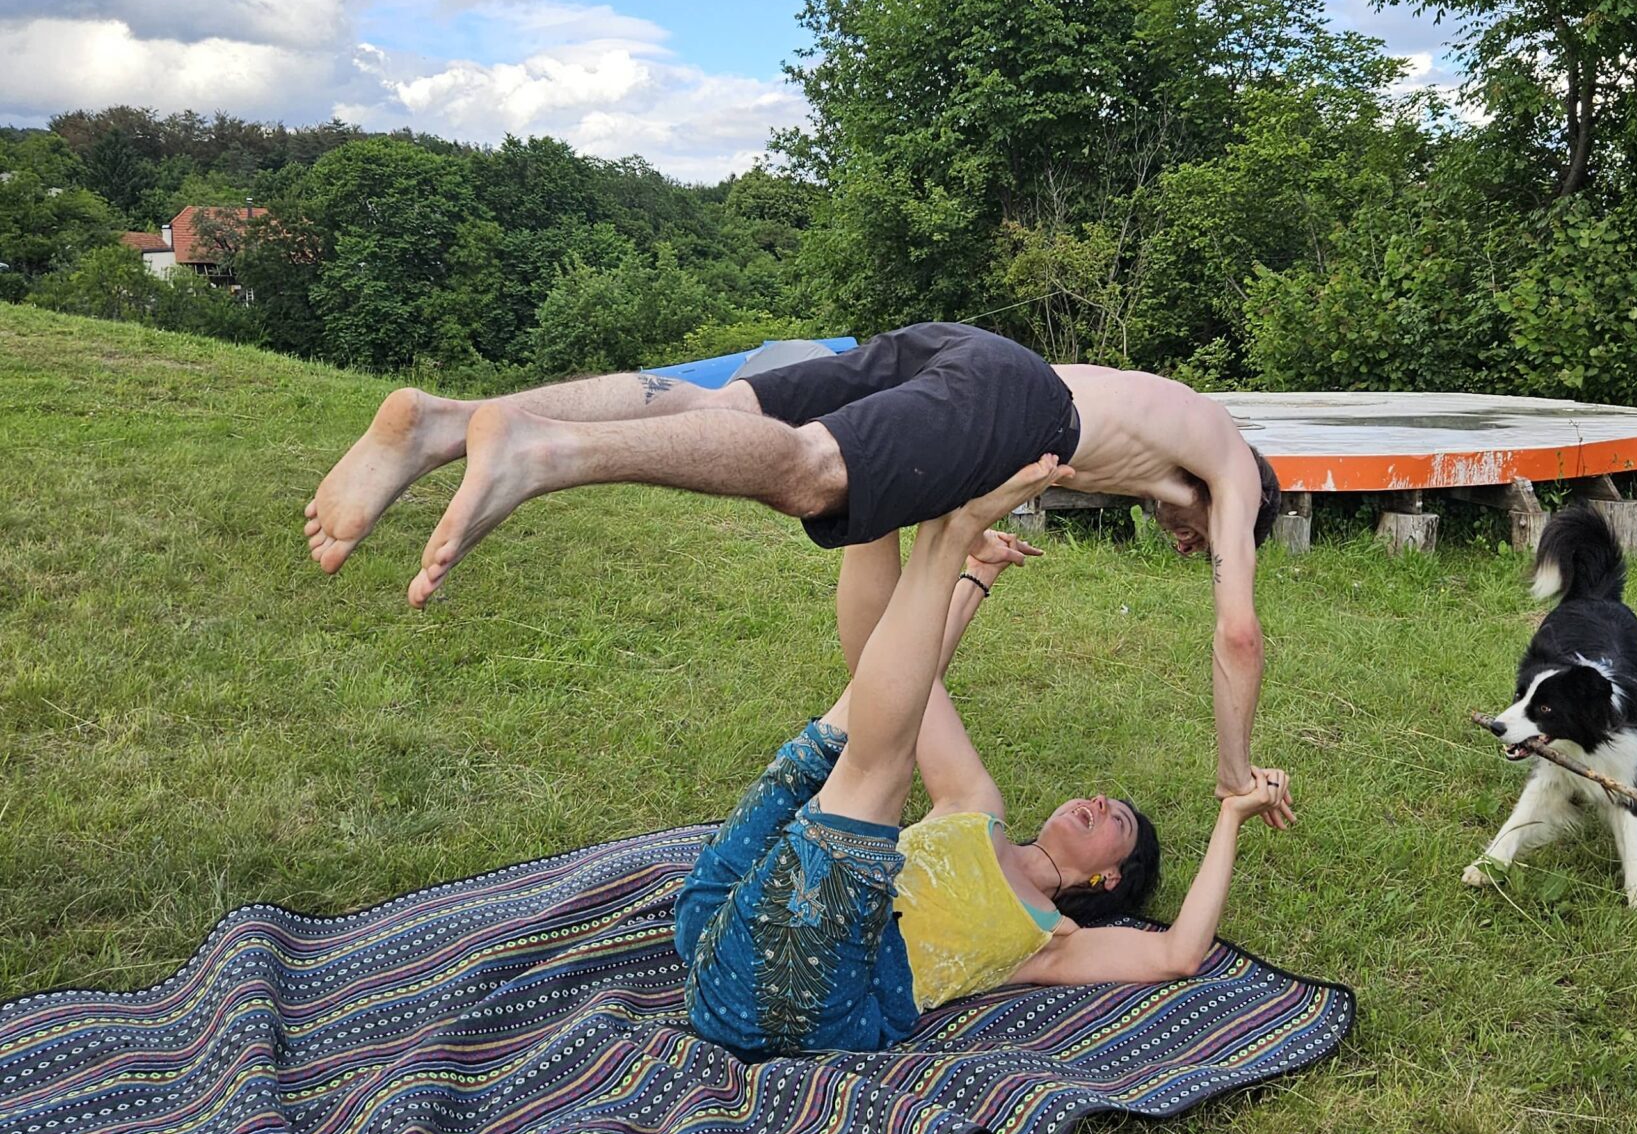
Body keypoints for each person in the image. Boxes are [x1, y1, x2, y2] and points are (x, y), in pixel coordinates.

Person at [305, 322, 1287, 796]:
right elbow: (1238, 634)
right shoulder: (1233, 464)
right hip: (1022, 398)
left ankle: (447, 424)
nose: (1193, 543)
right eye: (1206, 537)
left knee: (719, 404)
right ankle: (545, 451)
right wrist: (1236, 771)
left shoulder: (1166, 419)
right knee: (814, 472)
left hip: (964, 351)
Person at [672, 453, 1297, 1058]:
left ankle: (919, 499)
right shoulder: (973, 804)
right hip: (714, 925)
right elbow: (907, 688)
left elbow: (1178, 954)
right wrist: (978, 576)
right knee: (855, 719)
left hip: (798, 1001)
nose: (1100, 801)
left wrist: (1232, 815)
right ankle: (874, 464)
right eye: (1106, 800)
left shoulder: (1051, 939)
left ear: (1110, 877)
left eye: (1120, 822)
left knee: (870, 763)